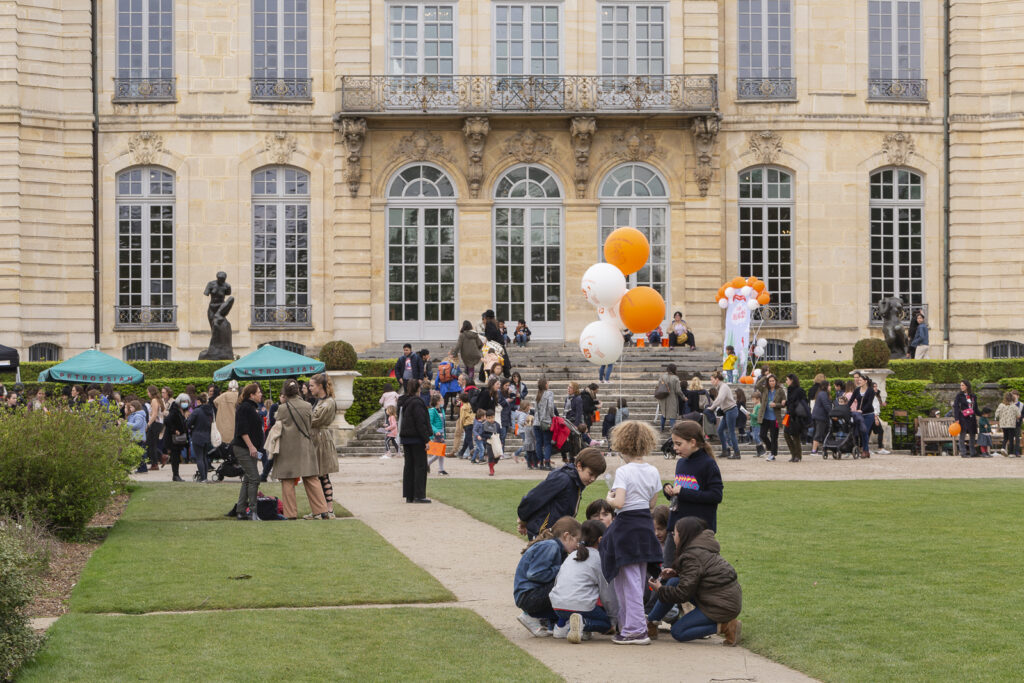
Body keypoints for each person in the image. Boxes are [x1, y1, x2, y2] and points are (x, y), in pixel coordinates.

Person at [599, 421, 664, 645]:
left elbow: (619, 502)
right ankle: (629, 626)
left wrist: (609, 498)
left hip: (627, 526)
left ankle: (636, 630)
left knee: (629, 582)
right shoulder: (653, 470)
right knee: (634, 579)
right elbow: (652, 503)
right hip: (645, 526)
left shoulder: (624, 471)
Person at [646, 517, 742, 645]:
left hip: (720, 606)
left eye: (675, 533)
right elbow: (700, 575)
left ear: (684, 535)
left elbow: (682, 593)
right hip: (721, 598)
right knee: (674, 581)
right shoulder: (699, 548)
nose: (673, 536)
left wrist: (660, 589)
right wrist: (678, 573)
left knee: (678, 632)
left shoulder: (692, 556)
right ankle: (651, 624)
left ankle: (726, 626)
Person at [662, 420, 724, 567]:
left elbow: (716, 495)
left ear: (693, 442)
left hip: (697, 531)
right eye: (674, 443)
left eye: (679, 444)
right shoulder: (681, 463)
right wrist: (669, 491)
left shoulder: (708, 464)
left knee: (695, 573)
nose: (675, 448)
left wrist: (683, 492)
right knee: (668, 571)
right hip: (675, 528)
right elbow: (680, 494)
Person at [549, 519, 619, 642]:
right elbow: (607, 595)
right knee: (606, 624)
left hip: (557, 606)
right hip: (580, 606)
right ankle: (582, 624)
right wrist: (614, 620)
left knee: (574, 603)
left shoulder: (572, 555)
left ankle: (561, 627)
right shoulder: (599, 558)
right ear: (601, 540)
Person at [514, 516, 583, 637]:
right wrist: (562, 569)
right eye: (577, 540)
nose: (577, 545)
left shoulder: (557, 548)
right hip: (528, 596)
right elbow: (536, 574)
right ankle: (531, 615)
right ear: (567, 536)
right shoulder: (551, 546)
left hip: (532, 594)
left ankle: (548, 621)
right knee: (567, 582)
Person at [517, 448, 607, 539]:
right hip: (543, 534)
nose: (593, 479)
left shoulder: (577, 482)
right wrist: (523, 519)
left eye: (596, 476)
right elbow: (534, 498)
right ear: (579, 466)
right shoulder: (563, 479)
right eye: (591, 474)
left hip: (557, 535)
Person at [232, 383, 265, 520]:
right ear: (251, 395)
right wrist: (251, 446)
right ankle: (252, 510)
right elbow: (242, 430)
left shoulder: (250, 408)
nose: (260, 394)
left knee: (248, 478)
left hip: (250, 448)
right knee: (254, 477)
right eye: (258, 392)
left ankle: (241, 510)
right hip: (244, 448)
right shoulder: (245, 408)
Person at [309, 373, 339, 517]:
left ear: (320, 386)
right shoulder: (319, 401)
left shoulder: (328, 402)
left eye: (312, 385)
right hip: (316, 437)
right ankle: (322, 508)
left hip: (321, 438)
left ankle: (329, 508)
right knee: (319, 475)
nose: (309, 388)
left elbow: (315, 419)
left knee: (323, 474)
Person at [397, 378, 432, 503]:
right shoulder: (417, 402)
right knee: (420, 466)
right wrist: (426, 439)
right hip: (416, 438)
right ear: (418, 388)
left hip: (406, 437)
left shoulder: (404, 402)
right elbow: (420, 422)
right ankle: (419, 494)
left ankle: (409, 494)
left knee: (409, 466)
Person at [708, 372, 740, 459]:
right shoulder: (721, 387)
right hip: (728, 411)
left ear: (717, 379)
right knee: (720, 430)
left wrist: (712, 407)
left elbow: (720, 399)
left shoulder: (723, 387)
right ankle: (725, 451)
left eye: (712, 380)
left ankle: (737, 453)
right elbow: (719, 399)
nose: (711, 382)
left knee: (731, 432)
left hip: (731, 410)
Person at [186, 392, 215, 482]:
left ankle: (203, 478)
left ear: (198, 401)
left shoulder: (197, 411)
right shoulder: (210, 411)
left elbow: (188, 423)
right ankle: (205, 476)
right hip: (207, 436)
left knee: (199, 457)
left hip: (197, 436)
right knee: (204, 457)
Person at [758, 375, 785, 461]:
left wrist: (776, 405)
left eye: (773, 381)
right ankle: (771, 448)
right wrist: (765, 377)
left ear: (776, 381)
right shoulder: (765, 389)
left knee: (774, 437)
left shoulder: (780, 390)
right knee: (762, 434)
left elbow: (784, 403)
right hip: (765, 417)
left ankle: (772, 454)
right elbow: (758, 385)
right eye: (770, 381)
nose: (772, 382)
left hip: (775, 418)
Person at [783, 375, 809, 462]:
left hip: (796, 416)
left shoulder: (799, 390)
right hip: (788, 415)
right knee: (786, 434)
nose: (786, 381)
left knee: (795, 435)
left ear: (792, 380)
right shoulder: (789, 389)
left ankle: (797, 455)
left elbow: (804, 401)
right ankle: (794, 454)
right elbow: (790, 402)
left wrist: (792, 404)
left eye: (787, 379)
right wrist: (786, 403)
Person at [849, 371, 875, 459]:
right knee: (860, 432)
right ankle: (865, 450)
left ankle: (865, 450)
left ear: (865, 381)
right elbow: (851, 400)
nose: (858, 381)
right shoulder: (857, 390)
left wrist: (862, 410)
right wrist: (845, 408)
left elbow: (869, 403)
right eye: (858, 380)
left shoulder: (870, 391)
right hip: (859, 415)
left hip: (868, 414)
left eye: (860, 380)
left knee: (865, 432)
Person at [164, 394, 190, 482]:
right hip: (173, 438)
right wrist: (174, 430)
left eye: (186, 402)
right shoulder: (174, 411)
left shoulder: (183, 410)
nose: (185, 403)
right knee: (175, 456)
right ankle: (175, 475)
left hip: (179, 438)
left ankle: (176, 475)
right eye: (183, 402)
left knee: (176, 456)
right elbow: (167, 421)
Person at [214, 379, 239, 459]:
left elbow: (215, 402)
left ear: (228, 388)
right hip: (235, 424)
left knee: (224, 444)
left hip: (223, 425)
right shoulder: (239, 396)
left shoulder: (223, 396)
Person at [953, 380, 979, 458]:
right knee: (962, 435)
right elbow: (956, 407)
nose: (961, 387)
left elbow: (976, 408)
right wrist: (957, 418)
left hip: (971, 418)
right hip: (963, 418)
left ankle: (972, 452)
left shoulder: (973, 396)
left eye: (963, 385)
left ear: (967, 386)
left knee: (972, 435)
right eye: (961, 385)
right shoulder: (959, 396)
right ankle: (963, 453)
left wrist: (982, 414)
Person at [534, 377, 556, 470]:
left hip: (536, 423)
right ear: (545, 385)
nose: (548, 385)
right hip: (546, 422)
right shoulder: (549, 393)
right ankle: (547, 463)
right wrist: (553, 416)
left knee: (539, 443)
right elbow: (551, 407)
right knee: (547, 443)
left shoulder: (537, 394)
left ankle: (541, 463)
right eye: (547, 383)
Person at [656, 364, 685, 432]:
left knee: (664, 413)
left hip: (663, 398)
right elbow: (678, 390)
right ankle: (673, 430)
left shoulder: (662, 377)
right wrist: (683, 397)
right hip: (672, 399)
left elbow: (658, 386)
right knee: (672, 415)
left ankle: (661, 428)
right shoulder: (675, 378)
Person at [809, 375, 832, 456]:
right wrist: (832, 413)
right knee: (818, 433)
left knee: (822, 433)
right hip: (820, 417)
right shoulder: (823, 394)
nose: (830, 387)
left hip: (818, 416)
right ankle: (814, 451)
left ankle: (823, 449)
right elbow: (826, 406)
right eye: (829, 385)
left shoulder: (821, 393)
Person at [435, 352, 461, 419]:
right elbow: (459, 375)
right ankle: (452, 416)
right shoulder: (455, 365)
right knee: (453, 402)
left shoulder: (441, 366)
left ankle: (443, 417)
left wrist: (437, 388)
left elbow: (437, 378)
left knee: (445, 403)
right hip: (454, 387)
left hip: (444, 388)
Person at [427, 394, 449, 475]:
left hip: (441, 433)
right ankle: (428, 463)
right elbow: (430, 423)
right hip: (436, 434)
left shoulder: (442, 410)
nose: (443, 401)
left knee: (441, 451)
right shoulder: (432, 411)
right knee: (438, 452)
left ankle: (441, 469)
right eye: (441, 399)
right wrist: (436, 431)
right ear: (437, 402)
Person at [995, 392, 1020, 457]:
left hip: (1003, 424)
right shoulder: (1014, 406)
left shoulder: (1001, 405)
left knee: (1005, 437)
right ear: (1012, 398)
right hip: (1011, 424)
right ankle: (1011, 453)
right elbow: (1018, 415)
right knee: (1011, 438)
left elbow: (997, 414)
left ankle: (1003, 448)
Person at [126, 400, 149, 472]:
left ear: (135, 407)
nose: (130, 409)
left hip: (138, 437)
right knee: (140, 453)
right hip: (138, 436)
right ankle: (142, 468)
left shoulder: (138, 415)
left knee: (139, 454)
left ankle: (142, 468)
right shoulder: (137, 415)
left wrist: (126, 424)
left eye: (131, 407)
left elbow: (136, 425)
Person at [455, 393, 475, 460]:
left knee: (469, 438)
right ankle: (461, 453)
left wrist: (461, 426)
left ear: (461, 400)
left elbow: (462, 417)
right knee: (467, 438)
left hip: (466, 424)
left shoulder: (463, 408)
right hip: (472, 422)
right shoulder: (469, 404)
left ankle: (472, 449)